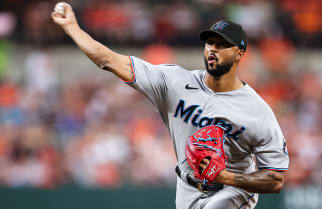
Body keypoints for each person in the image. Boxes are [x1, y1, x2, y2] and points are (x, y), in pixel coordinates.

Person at [52, 3, 289, 209]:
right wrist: (72, 27)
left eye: (222, 45)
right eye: (210, 43)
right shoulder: (175, 82)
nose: (213, 49)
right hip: (186, 188)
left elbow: (275, 179)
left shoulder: (256, 110)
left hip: (233, 190)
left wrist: (226, 176)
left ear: (239, 54)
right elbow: (108, 60)